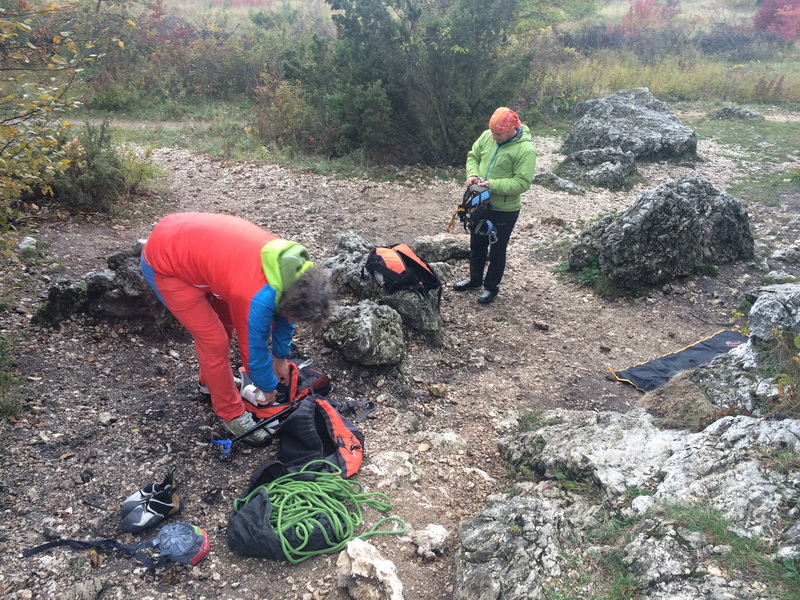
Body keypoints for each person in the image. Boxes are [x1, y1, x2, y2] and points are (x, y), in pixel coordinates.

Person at [140, 212, 334, 446]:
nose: (292, 318)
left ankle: (208, 384)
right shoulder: (256, 297)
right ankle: (230, 413)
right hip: (166, 263)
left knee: (226, 323)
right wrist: (267, 388)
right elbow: (253, 349)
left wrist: (281, 358)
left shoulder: (297, 272)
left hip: (196, 248)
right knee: (214, 341)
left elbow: (286, 317)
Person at [453, 107, 537, 304]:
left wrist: (493, 185)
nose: (493, 136)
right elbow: (473, 156)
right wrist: (472, 175)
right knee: (477, 244)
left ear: (511, 130)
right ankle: (474, 280)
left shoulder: (526, 150)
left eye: (497, 133)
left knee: (497, 250)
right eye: (492, 131)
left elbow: (522, 183)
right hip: (480, 204)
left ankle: (490, 287)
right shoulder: (487, 136)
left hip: (505, 210)